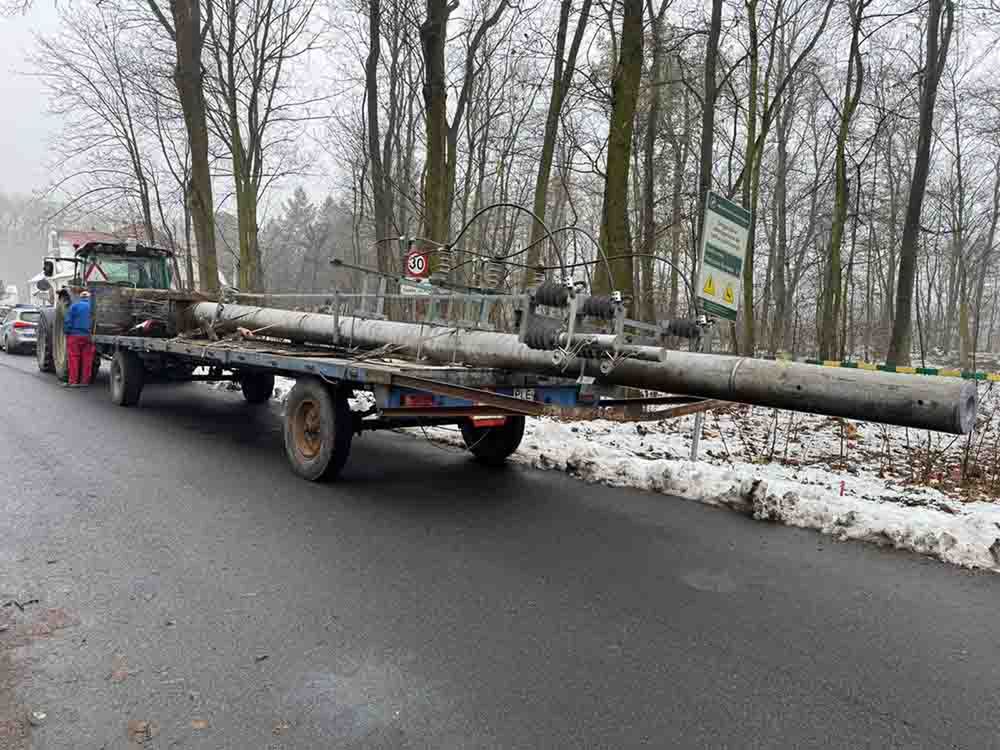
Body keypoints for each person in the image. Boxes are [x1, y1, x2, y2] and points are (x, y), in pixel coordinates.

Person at [64, 290, 95, 388]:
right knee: (87, 359)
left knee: (73, 358)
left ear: (80, 298)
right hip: (89, 337)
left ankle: (73, 381)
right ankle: (85, 381)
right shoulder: (93, 307)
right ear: (89, 298)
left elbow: (68, 321)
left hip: (74, 336)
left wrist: (67, 331)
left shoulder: (75, 306)